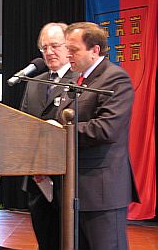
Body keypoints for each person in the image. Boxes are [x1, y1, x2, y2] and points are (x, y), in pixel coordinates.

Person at [55, 22, 139, 250]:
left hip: (102, 188)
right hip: (73, 187)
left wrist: (59, 130)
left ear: (95, 50)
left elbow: (106, 129)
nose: (67, 55)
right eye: (67, 49)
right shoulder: (74, 80)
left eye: (73, 50)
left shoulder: (114, 79)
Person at [20, 22, 77, 250]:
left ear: (68, 47)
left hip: (66, 176)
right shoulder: (34, 82)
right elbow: (22, 121)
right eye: (44, 48)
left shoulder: (80, 79)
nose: (49, 52)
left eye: (55, 46)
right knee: (45, 240)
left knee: (67, 240)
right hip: (37, 177)